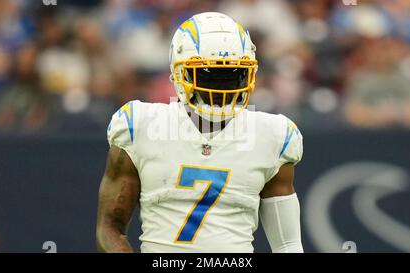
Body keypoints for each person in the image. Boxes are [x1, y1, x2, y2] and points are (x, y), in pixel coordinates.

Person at [96, 12, 304, 253]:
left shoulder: (273, 136)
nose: (221, 86)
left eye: (233, 75)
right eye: (209, 75)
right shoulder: (141, 125)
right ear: (179, 73)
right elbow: (109, 227)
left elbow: (287, 245)